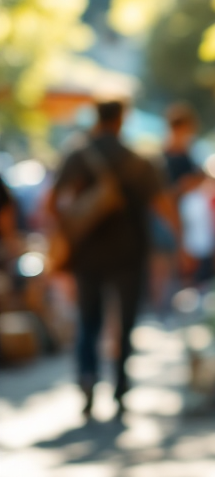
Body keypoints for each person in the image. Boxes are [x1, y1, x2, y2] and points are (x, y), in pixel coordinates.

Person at [49, 100, 180, 419]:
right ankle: (120, 385)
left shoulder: (77, 156)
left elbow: (52, 202)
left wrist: (69, 229)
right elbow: (163, 205)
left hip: (88, 254)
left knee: (88, 320)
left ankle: (88, 379)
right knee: (126, 322)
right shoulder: (139, 159)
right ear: (122, 121)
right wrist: (180, 242)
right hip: (130, 253)